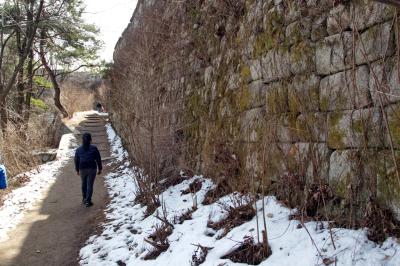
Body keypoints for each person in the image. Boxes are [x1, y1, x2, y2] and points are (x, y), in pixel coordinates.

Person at [74, 133, 102, 207]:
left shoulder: (78, 149)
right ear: (91, 140)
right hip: (92, 168)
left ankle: (84, 198)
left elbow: (76, 160)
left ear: (82, 140)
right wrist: (100, 168)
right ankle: (88, 201)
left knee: (84, 183)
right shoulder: (94, 148)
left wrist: (77, 170)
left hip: (82, 168)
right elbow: (98, 159)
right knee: (90, 185)